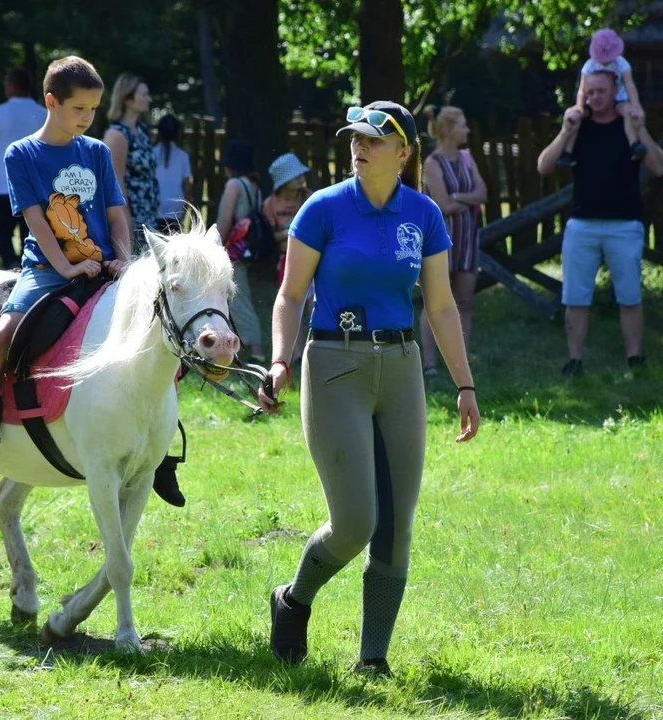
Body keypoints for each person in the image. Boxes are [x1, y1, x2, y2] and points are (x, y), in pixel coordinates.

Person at [260, 101, 480, 675]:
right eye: (355, 138)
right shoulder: (323, 209)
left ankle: (373, 659)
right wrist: (280, 359)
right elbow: (289, 295)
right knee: (356, 521)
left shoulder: (424, 214)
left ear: (404, 152)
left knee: (396, 525)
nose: (359, 147)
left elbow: (440, 305)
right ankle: (294, 599)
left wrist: (465, 384)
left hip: (401, 366)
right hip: (335, 363)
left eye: (374, 140)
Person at [0, 56, 131, 486]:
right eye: (79, 108)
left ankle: (159, 449)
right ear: (51, 102)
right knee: (2, 336)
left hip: (101, 267)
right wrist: (66, 266)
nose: (87, 117)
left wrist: (122, 258)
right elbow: (36, 220)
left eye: (94, 109)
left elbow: (117, 214)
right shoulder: (22, 153)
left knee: (156, 325)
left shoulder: (97, 152)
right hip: (46, 269)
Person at [537, 70, 663, 376]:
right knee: (576, 297)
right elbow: (544, 166)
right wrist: (566, 130)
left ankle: (635, 359)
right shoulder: (578, 127)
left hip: (625, 224)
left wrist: (641, 128)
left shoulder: (628, 127)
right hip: (583, 224)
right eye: (590, 92)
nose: (595, 98)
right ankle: (575, 361)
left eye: (601, 92)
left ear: (615, 92)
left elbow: (659, 166)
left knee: (630, 295)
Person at [418, 105, 487, 377]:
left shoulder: (468, 158)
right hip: (440, 240)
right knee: (434, 301)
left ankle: (462, 363)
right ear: (447, 130)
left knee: (465, 301)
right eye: (462, 125)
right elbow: (443, 205)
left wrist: (458, 197)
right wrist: (462, 199)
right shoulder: (432, 163)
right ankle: (431, 363)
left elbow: (483, 193)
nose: (467, 130)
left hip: (468, 239)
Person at [0, 68, 47, 269]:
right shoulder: (43, 114)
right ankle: (27, 264)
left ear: (11, 86)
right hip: (36, 187)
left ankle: (10, 261)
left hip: (3, 185)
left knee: (0, 231)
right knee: (31, 231)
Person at [559, 28, 645, 167]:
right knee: (575, 117)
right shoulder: (590, 65)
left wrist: (635, 104)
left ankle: (634, 144)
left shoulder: (621, 63)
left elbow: (629, 84)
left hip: (619, 99)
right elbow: (582, 89)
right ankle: (568, 152)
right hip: (592, 101)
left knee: (628, 111)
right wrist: (580, 106)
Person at [215, 139, 265, 362]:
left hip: (232, 249)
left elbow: (225, 219)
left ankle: (256, 350)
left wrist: (215, 244)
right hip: (246, 249)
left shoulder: (234, 185)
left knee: (240, 298)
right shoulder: (255, 187)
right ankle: (241, 347)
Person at [263, 152, 313, 364]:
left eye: (302, 173)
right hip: (285, 260)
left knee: (312, 305)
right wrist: (293, 233)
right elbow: (267, 237)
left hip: (311, 260)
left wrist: (292, 232)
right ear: (284, 181)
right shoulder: (270, 204)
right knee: (294, 303)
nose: (301, 177)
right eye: (295, 175)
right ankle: (296, 352)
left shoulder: (309, 198)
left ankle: (313, 347)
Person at [104, 73, 159, 252]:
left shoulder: (142, 132)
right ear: (127, 99)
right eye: (144, 94)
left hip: (148, 214)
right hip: (131, 217)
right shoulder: (117, 135)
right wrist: (125, 221)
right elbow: (116, 182)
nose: (148, 99)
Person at [153, 113, 193, 232]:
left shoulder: (150, 153)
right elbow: (187, 186)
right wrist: (185, 209)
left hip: (155, 208)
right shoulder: (183, 156)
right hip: (176, 209)